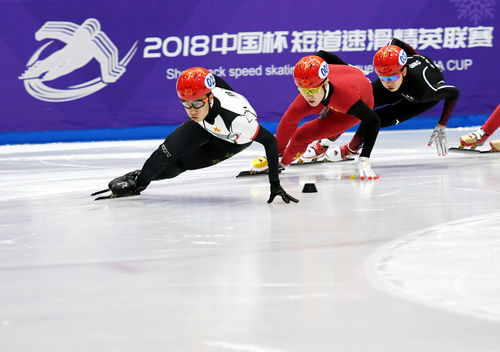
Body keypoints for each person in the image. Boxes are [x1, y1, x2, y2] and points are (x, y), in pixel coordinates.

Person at [105, 67, 298, 204]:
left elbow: (270, 141)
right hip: (206, 124)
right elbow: (209, 79)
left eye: (197, 103)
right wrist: (141, 182)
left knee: (182, 164)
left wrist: (275, 184)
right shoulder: (200, 99)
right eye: (186, 104)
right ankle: (139, 182)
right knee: (167, 151)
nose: (191, 110)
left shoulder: (238, 121)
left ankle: (143, 178)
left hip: (231, 140)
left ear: (210, 97)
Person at [302, 39, 460, 161]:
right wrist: (414, 56)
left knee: (373, 121)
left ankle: (350, 150)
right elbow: (395, 42)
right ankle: (323, 145)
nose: (388, 82)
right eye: (383, 77)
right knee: (356, 107)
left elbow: (454, 92)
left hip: (416, 99)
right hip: (404, 79)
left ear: (404, 71)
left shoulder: (425, 91)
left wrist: (442, 125)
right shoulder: (389, 76)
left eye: (392, 77)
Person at [274, 55, 381, 180]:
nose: (308, 96)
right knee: (291, 116)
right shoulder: (311, 84)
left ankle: (283, 164)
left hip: (348, 110)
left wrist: (364, 158)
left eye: (312, 91)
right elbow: (322, 53)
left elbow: (374, 121)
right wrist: (276, 153)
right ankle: (279, 158)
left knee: (302, 135)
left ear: (325, 83)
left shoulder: (347, 99)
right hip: (339, 84)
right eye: (303, 91)